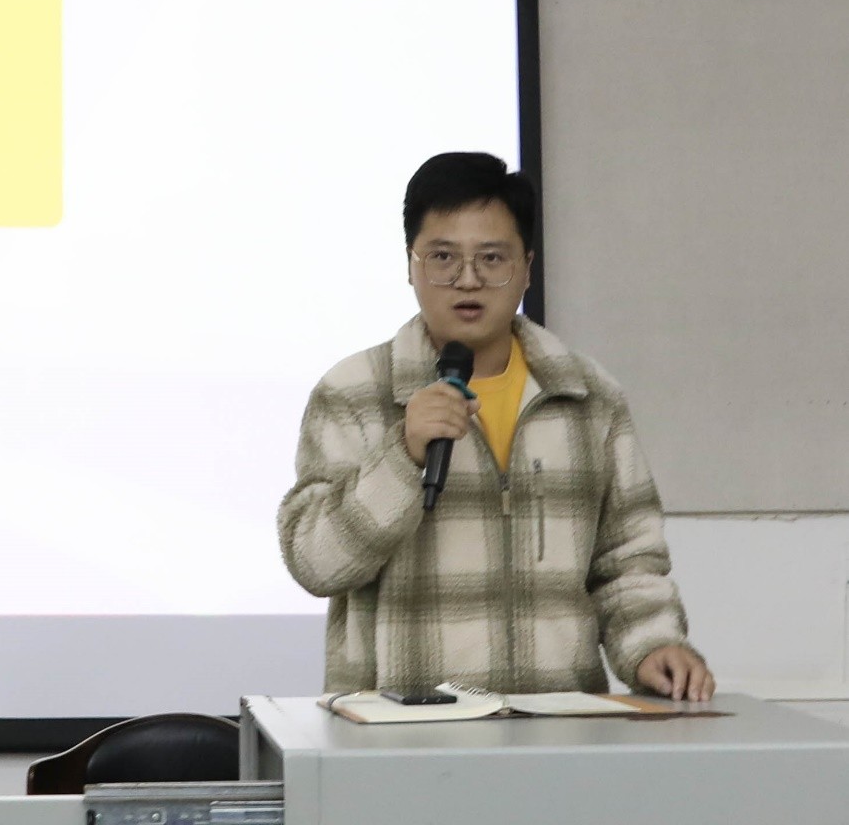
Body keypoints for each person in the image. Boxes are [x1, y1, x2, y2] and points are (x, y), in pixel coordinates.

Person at [278, 152, 713, 701]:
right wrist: (402, 455)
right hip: (398, 734)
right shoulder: (355, 392)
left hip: (556, 730)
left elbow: (627, 561)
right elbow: (316, 564)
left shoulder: (587, 396)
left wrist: (653, 645)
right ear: (410, 265)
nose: (468, 279)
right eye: (443, 257)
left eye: (491, 258)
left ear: (526, 268)